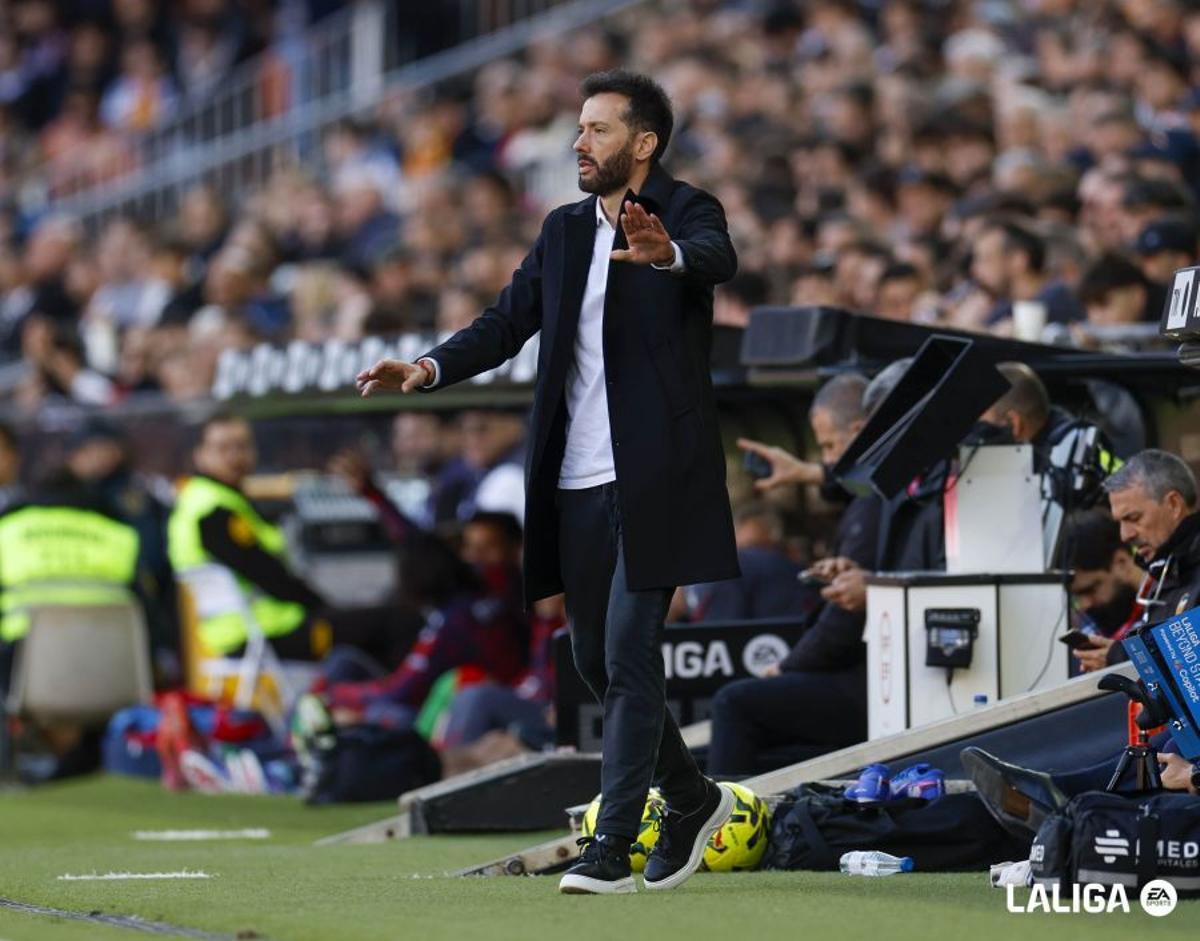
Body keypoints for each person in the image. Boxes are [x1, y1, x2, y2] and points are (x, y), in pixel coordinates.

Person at [355, 69, 739, 895]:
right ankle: (692, 795)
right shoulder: (564, 231)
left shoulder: (686, 209)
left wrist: (665, 253)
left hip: (656, 473)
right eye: (579, 128)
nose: (579, 142)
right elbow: (506, 320)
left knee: (632, 652)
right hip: (573, 478)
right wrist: (428, 366)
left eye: (598, 129)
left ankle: (614, 842)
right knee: (595, 660)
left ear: (643, 144)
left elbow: (718, 257)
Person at [965, 450, 1200, 837]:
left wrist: (1117, 654)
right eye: (1121, 521)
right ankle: (1061, 798)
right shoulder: (1169, 567)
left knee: (1174, 741)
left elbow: (1184, 651)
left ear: (1173, 504)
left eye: (1133, 518)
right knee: (1167, 740)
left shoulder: (1182, 566)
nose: (1124, 535)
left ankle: (1060, 797)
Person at [707, 373, 878, 775]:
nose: (828, 460)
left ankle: (720, 831)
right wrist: (809, 473)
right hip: (861, 676)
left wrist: (787, 668)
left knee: (735, 703)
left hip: (870, 684)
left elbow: (843, 624)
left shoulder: (873, 503)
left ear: (859, 431)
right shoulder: (867, 498)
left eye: (829, 446)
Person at [1057, 509, 1143, 674]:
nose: (1084, 605)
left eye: (1090, 589)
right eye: (1076, 597)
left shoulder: (1171, 607)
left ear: (1121, 563)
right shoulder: (1092, 624)